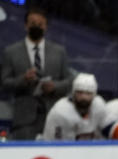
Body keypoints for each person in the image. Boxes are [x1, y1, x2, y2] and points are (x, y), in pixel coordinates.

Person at [0, 6, 72, 140]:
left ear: (46, 27)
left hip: (54, 115)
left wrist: (54, 86)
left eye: (40, 24)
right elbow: (4, 83)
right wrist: (23, 79)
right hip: (24, 119)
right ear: (25, 26)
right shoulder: (11, 52)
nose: (36, 27)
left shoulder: (59, 51)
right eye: (33, 24)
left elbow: (68, 81)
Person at [41, 73, 106, 140]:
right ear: (73, 93)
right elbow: (54, 143)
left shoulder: (99, 107)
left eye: (88, 93)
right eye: (80, 92)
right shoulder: (60, 112)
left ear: (94, 95)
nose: (83, 97)